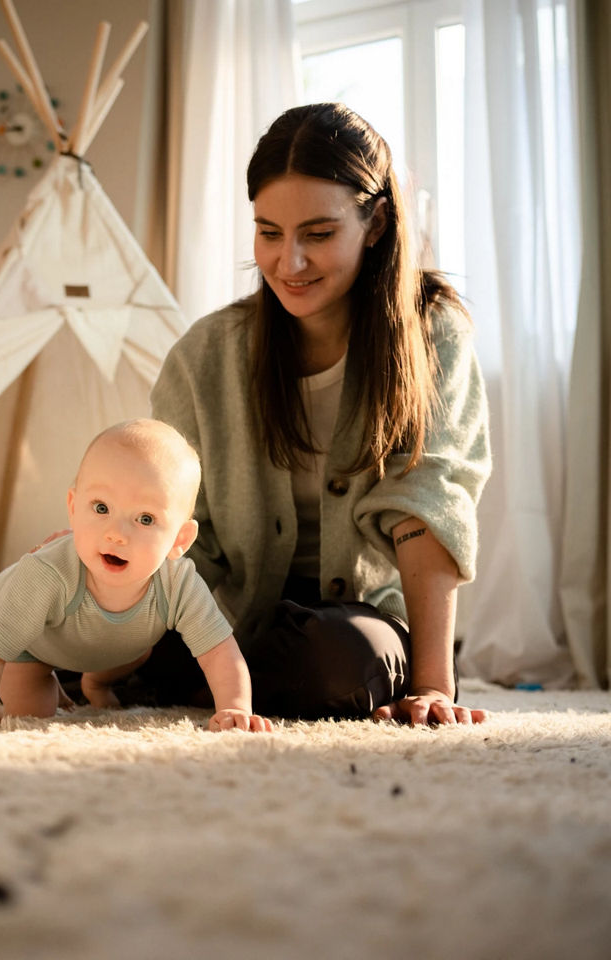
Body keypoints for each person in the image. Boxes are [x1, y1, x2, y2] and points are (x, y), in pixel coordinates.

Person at [145, 102, 491, 726]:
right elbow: (176, 532)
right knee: (69, 618)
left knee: (341, 661)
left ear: (376, 223)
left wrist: (435, 687)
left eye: (319, 234)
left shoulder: (432, 333)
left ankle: (214, 683)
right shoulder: (205, 355)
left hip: (354, 621)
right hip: (222, 618)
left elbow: (430, 504)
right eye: (269, 233)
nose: (289, 263)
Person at [0, 418, 272, 732]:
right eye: (101, 508)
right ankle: (42, 678)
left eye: (145, 519)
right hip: (27, 642)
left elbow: (220, 651)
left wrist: (235, 707)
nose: (117, 534)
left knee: (137, 645)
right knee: (33, 713)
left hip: (117, 644)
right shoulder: (47, 575)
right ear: (74, 508)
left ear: (180, 540)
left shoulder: (178, 584)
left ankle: (95, 681)